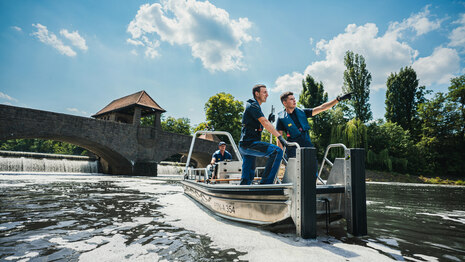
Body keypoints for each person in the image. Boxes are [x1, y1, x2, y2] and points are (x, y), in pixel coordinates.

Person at [239, 84, 290, 185]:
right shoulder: (253, 105)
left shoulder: (255, 106)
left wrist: (268, 119)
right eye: (264, 92)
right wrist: (279, 137)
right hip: (249, 144)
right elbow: (264, 122)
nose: (267, 94)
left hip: (246, 145)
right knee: (276, 151)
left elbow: (260, 122)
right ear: (256, 93)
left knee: (248, 175)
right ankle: (266, 184)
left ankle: (243, 191)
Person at [276, 91, 352, 158]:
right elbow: (279, 138)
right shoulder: (281, 118)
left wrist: (338, 99)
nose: (294, 100)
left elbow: (322, 107)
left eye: (294, 98)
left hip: (308, 147)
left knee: (312, 172)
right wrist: (281, 155)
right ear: (284, 103)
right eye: (291, 99)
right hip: (293, 150)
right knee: (294, 173)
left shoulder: (303, 112)